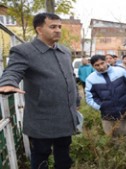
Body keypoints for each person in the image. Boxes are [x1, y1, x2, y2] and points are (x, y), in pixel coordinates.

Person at [0, 13, 80, 169]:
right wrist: (8, 82)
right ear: (39, 29)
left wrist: (76, 100)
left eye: (59, 27)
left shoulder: (65, 51)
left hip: (65, 116)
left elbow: (70, 78)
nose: (58, 30)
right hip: (41, 118)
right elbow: (13, 71)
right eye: (52, 27)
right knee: (40, 157)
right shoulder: (24, 51)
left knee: (64, 157)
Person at [85, 55, 126, 137]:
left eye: (102, 63)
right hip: (108, 116)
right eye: (97, 65)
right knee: (111, 141)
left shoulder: (120, 71)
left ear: (106, 61)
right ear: (93, 66)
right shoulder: (91, 79)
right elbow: (90, 98)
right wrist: (101, 106)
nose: (101, 67)